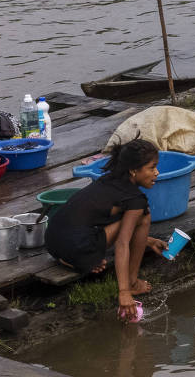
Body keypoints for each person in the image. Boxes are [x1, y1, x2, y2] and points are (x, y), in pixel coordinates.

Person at [47, 137, 161, 320]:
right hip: (76, 246)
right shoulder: (135, 200)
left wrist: (148, 241)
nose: (157, 172)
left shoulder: (110, 179)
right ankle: (131, 282)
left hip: (52, 240)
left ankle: (74, 260)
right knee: (144, 216)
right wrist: (123, 291)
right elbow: (122, 243)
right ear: (133, 171)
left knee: (124, 219)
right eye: (151, 168)